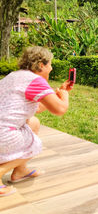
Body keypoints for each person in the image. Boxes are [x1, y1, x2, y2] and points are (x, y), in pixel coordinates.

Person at [0, 46, 73, 197]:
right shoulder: (36, 81)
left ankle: (20, 171)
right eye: (50, 64)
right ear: (41, 65)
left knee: (33, 122)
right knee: (35, 145)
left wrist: (57, 92)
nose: (51, 68)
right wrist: (65, 95)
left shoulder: (15, 76)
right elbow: (60, 110)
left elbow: (37, 107)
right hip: (3, 134)